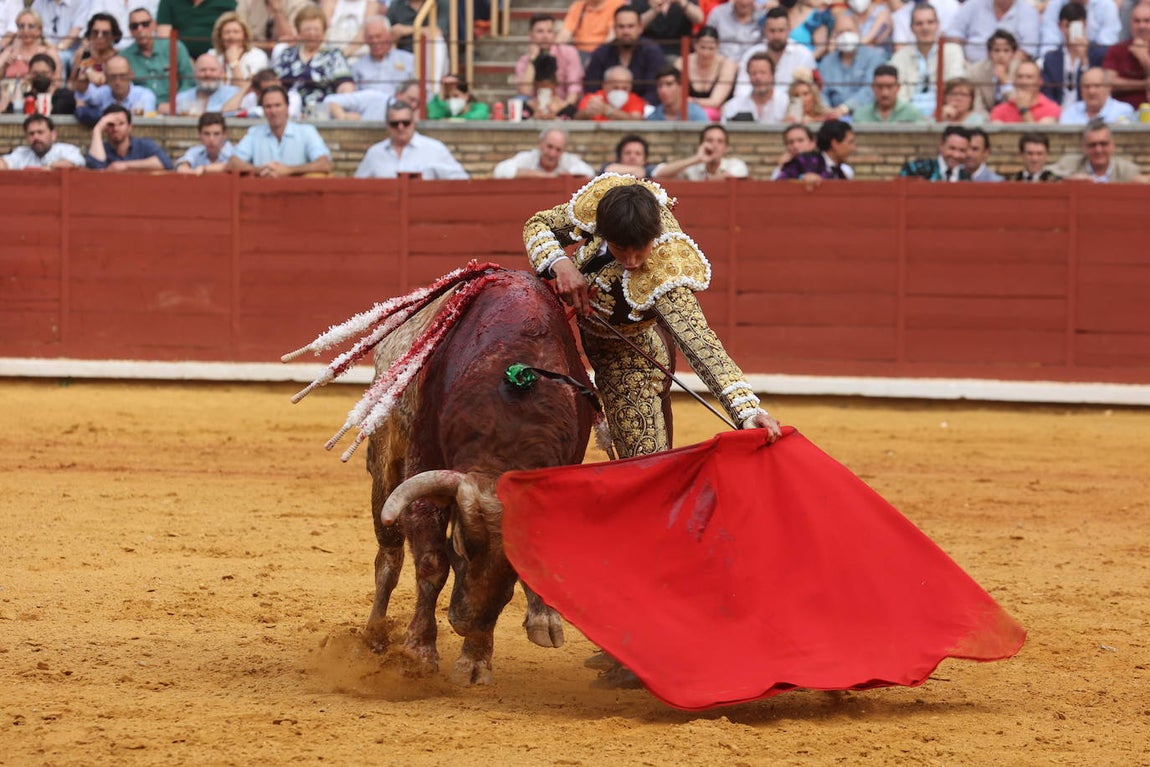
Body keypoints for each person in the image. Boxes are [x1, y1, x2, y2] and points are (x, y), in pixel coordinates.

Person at [520, 179, 782, 597]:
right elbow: (537, 224)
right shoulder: (600, 208)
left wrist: (746, 410)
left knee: (647, 486)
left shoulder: (666, 271)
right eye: (622, 250)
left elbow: (702, 344)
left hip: (628, 359)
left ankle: (658, 600)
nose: (633, 259)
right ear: (604, 234)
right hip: (565, 337)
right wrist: (559, 263)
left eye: (640, 249)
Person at [227, 85, 333, 176]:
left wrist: (289, 170)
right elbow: (233, 163)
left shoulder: (306, 132)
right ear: (263, 110)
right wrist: (259, 170)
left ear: (287, 107)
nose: (273, 111)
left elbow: (325, 164)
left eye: (278, 105)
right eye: (268, 106)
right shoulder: (254, 133)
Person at [272, 4, 355, 113]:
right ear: (299, 32)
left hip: (323, 112)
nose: (312, 33)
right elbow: (274, 84)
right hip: (288, 111)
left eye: (316, 29)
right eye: (307, 29)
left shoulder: (334, 55)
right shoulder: (287, 54)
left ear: (324, 31)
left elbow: (346, 86)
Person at [354, 101, 469, 179]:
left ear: (413, 123)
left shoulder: (434, 149)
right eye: (395, 124)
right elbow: (358, 187)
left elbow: (460, 181)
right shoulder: (375, 153)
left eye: (405, 123)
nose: (400, 127)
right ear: (387, 126)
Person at [889, 3, 966, 118]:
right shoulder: (900, 56)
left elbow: (955, 86)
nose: (925, 28)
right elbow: (898, 95)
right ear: (911, 28)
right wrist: (912, 116)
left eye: (930, 22)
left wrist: (938, 113)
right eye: (919, 24)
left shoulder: (953, 51)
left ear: (937, 25)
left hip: (944, 114)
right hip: (908, 118)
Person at [583, 6, 667, 105]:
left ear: (640, 28)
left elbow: (655, 92)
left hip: (644, 112)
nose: (626, 32)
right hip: (606, 112)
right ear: (614, 28)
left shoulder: (652, 52)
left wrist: (635, 110)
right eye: (621, 27)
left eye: (630, 26)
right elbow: (592, 89)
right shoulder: (601, 53)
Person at [733, 7, 817, 100]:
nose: (776, 36)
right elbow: (741, 90)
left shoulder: (803, 55)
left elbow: (809, 93)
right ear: (765, 30)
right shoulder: (752, 54)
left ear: (789, 29)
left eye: (781, 30)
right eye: (772, 31)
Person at [119, 6, 194, 109]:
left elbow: (189, 81)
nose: (140, 29)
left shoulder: (175, 47)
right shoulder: (124, 57)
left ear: (154, 25)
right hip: (140, 109)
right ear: (130, 31)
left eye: (145, 24)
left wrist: (175, 104)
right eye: (134, 26)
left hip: (177, 107)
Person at [818, 13, 888, 118]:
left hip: (866, 117)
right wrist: (827, 109)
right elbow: (821, 92)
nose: (845, 36)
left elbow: (870, 90)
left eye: (849, 31)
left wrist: (844, 108)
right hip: (832, 119)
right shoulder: (826, 62)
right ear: (835, 36)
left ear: (858, 32)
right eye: (841, 32)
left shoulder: (874, 57)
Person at [1039, 2, 1109, 108]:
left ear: (1085, 24)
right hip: (1058, 112)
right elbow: (1047, 92)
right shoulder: (1051, 59)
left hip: (1089, 111)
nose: (1070, 31)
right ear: (1060, 26)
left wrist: (1084, 59)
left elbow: (1097, 89)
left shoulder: (1098, 54)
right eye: (1067, 26)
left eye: (1075, 26)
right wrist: (1056, 110)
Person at [514, 14, 584, 117]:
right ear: (530, 35)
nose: (545, 36)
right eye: (540, 31)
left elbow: (574, 87)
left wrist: (563, 107)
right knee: (519, 102)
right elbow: (525, 91)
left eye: (549, 31)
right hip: (536, 106)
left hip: (563, 104)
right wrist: (533, 57)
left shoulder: (569, 53)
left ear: (554, 35)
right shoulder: (524, 61)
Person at [1048, 117, 1149, 181]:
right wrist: (1068, 178)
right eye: (1092, 145)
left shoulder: (1127, 170)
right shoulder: (1070, 164)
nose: (1098, 150)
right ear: (1083, 147)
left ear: (1113, 145)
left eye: (1103, 144)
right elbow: (1044, 175)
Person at [944, 0, 1041, 62]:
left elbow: (1028, 49)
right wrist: (962, 61)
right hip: (970, 67)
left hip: (1011, 72)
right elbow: (953, 35)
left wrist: (1007, 69)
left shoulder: (1028, 12)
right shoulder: (972, 5)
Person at [85, 103, 174, 171]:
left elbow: (166, 163)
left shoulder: (144, 145)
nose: (116, 128)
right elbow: (96, 169)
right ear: (105, 128)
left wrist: (126, 165)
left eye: (121, 124)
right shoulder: (100, 148)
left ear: (129, 127)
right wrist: (97, 130)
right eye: (110, 124)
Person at [74, 55, 157, 125]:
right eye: (113, 77)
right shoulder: (103, 92)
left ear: (131, 75)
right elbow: (84, 92)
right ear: (106, 76)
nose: (117, 82)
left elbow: (145, 121)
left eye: (122, 76)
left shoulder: (144, 95)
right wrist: (86, 74)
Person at [677, 26, 737, 120]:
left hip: (719, 115)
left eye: (711, 48)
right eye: (702, 47)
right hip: (687, 112)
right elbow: (677, 98)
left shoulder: (727, 64)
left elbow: (716, 101)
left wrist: (692, 101)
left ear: (717, 46)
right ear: (695, 44)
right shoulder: (681, 63)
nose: (706, 53)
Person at [349, 16, 414, 99]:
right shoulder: (358, 67)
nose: (375, 41)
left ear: (389, 35)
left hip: (400, 108)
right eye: (370, 37)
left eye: (378, 36)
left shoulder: (409, 60)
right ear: (365, 39)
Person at [492, 127, 596, 178]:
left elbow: (589, 173)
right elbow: (499, 171)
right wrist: (536, 174)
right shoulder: (528, 157)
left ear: (564, 151)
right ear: (540, 144)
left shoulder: (568, 160)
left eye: (558, 150)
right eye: (549, 147)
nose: (552, 154)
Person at [1102, 0, 1150, 110]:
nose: (1141, 26)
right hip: (1121, 114)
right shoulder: (1117, 49)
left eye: (1147, 21)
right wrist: (1143, 84)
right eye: (1137, 21)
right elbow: (1109, 82)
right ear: (1130, 24)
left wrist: (1145, 61)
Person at [774, 118, 855, 181]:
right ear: (835, 144)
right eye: (850, 142)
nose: (853, 148)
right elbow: (779, 185)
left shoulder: (840, 172)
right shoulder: (803, 161)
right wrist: (801, 178)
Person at [660, 123, 749, 180]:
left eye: (720, 141)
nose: (714, 145)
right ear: (701, 145)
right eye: (710, 140)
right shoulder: (693, 169)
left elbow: (730, 178)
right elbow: (661, 175)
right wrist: (697, 158)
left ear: (726, 148)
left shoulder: (736, 165)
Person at [156, 0, 238, 59]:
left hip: (218, 60)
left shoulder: (227, 3)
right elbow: (164, 41)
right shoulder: (168, 2)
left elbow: (237, 33)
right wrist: (185, 61)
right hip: (180, 62)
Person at [1039, 0, 1122, 58]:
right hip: (1061, 60)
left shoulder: (1107, 6)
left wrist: (1086, 52)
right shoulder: (1055, 5)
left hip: (1094, 61)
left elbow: (1107, 47)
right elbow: (1048, 46)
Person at [0, 52, 76, 115]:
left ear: (53, 74)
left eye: (44, 73)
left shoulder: (65, 95)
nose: (40, 76)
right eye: (35, 73)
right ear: (29, 75)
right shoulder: (25, 96)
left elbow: (58, 111)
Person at [0, 113, 85, 170]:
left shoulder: (66, 150)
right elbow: (4, 163)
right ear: (27, 137)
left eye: (40, 132)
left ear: (53, 135)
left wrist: (47, 168)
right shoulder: (22, 153)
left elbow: (75, 162)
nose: (36, 137)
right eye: (31, 134)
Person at [721, 51, 787, 122]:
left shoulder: (786, 104)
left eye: (763, 73)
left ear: (772, 75)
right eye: (753, 73)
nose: (758, 77)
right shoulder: (732, 107)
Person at [207, 11, 268, 88]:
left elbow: (247, 90)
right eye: (226, 32)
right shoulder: (212, 55)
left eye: (236, 32)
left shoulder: (257, 56)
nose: (231, 36)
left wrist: (233, 62)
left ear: (245, 35)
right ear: (220, 36)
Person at [0, 9, 62, 85]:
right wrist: (4, 66)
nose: (25, 30)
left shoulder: (49, 52)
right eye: (21, 26)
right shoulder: (9, 51)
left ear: (39, 30)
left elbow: (57, 83)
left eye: (31, 26)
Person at [966, 29, 1021, 114]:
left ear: (1013, 53)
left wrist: (1005, 82)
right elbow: (977, 105)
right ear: (989, 53)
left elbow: (1020, 105)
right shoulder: (976, 71)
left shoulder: (1021, 70)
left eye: (1006, 50)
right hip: (985, 121)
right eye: (996, 50)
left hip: (1013, 118)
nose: (1001, 55)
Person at [990, 60, 1062, 122]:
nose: (1023, 82)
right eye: (1020, 77)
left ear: (1040, 81)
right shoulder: (999, 110)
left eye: (1029, 77)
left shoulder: (1052, 109)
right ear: (1014, 81)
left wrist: (1024, 110)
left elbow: (1039, 137)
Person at [1060, 66, 1138, 123]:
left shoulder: (1122, 111)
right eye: (1087, 86)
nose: (1091, 91)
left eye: (1097, 86)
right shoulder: (1071, 112)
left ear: (1108, 87)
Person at [630, 0, 704, 58]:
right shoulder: (640, 1)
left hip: (679, 51)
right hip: (648, 50)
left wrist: (683, 3)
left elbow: (699, 19)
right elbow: (634, 26)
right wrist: (654, 11)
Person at [852, 63, 925, 122]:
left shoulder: (912, 114)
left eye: (889, 87)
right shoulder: (861, 115)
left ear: (898, 87)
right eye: (880, 87)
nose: (884, 93)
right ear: (873, 87)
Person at [68, 13, 122, 93]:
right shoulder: (82, 54)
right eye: (95, 32)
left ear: (114, 35)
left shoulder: (119, 57)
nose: (99, 36)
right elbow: (71, 83)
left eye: (105, 33)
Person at [175, 53, 242, 115]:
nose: (208, 74)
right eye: (203, 70)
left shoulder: (234, 94)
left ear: (222, 73)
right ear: (194, 74)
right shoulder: (181, 98)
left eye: (213, 70)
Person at [898, 124, 972, 180]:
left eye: (962, 150)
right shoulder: (916, 169)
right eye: (952, 148)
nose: (956, 155)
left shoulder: (966, 178)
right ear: (941, 146)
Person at [574, 64, 649, 120]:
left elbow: (636, 120)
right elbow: (577, 117)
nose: (620, 91)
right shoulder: (593, 98)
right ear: (605, 85)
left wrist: (608, 110)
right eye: (615, 87)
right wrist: (587, 113)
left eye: (625, 88)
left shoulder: (635, 100)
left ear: (631, 87)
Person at [29, 0, 89, 67]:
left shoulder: (81, 2)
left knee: (57, 57)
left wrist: (56, 49)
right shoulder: (39, 2)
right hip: (43, 46)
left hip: (68, 51)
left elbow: (76, 31)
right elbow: (31, 26)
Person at [236, 0, 311, 52]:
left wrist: (277, 10)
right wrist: (269, 45)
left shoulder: (299, 4)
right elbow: (239, 39)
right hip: (253, 52)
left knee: (281, 49)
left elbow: (290, 41)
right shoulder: (246, 2)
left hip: (285, 53)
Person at [558, 0, 625, 58]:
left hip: (604, 52)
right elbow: (565, 33)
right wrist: (556, 48)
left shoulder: (617, 4)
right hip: (579, 52)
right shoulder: (578, 6)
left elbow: (612, 36)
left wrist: (600, 54)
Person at [238, 67, 303, 117]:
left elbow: (282, 115)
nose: (274, 92)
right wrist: (245, 88)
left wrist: (253, 112)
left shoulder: (293, 97)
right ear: (258, 93)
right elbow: (230, 112)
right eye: (269, 90)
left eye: (276, 88)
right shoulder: (252, 98)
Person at [598, 132, 665, 178]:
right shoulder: (608, 166)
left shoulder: (649, 169)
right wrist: (637, 170)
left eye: (638, 153)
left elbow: (662, 170)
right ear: (619, 156)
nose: (632, 157)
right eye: (628, 153)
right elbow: (607, 170)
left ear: (645, 159)